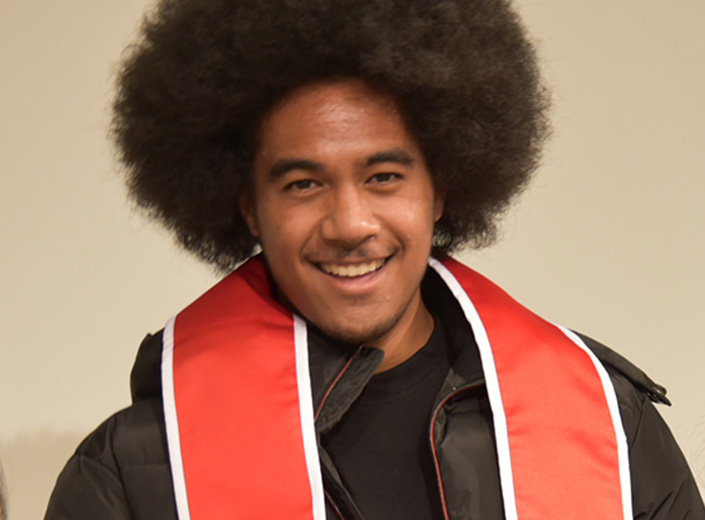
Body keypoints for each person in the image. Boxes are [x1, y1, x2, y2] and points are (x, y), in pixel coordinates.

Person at [45, 0, 704, 519]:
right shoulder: (133, 472)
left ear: (439, 188)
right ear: (248, 207)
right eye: (303, 184)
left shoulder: (605, 426)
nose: (350, 224)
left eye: (383, 176)